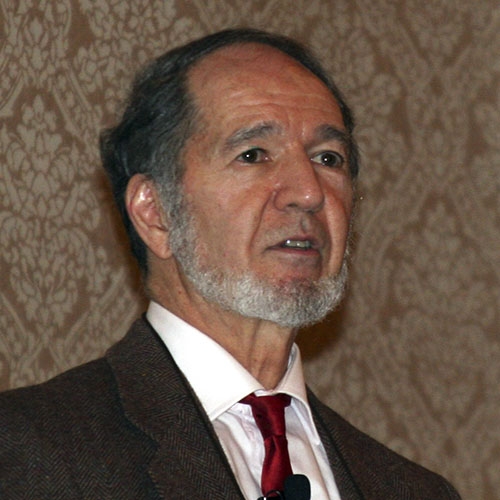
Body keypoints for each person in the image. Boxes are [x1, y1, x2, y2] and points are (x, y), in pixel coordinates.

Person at [0, 29, 460, 500]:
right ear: (155, 212)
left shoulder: (416, 491)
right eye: (253, 155)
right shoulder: (29, 450)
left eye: (328, 158)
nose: (309, 192)